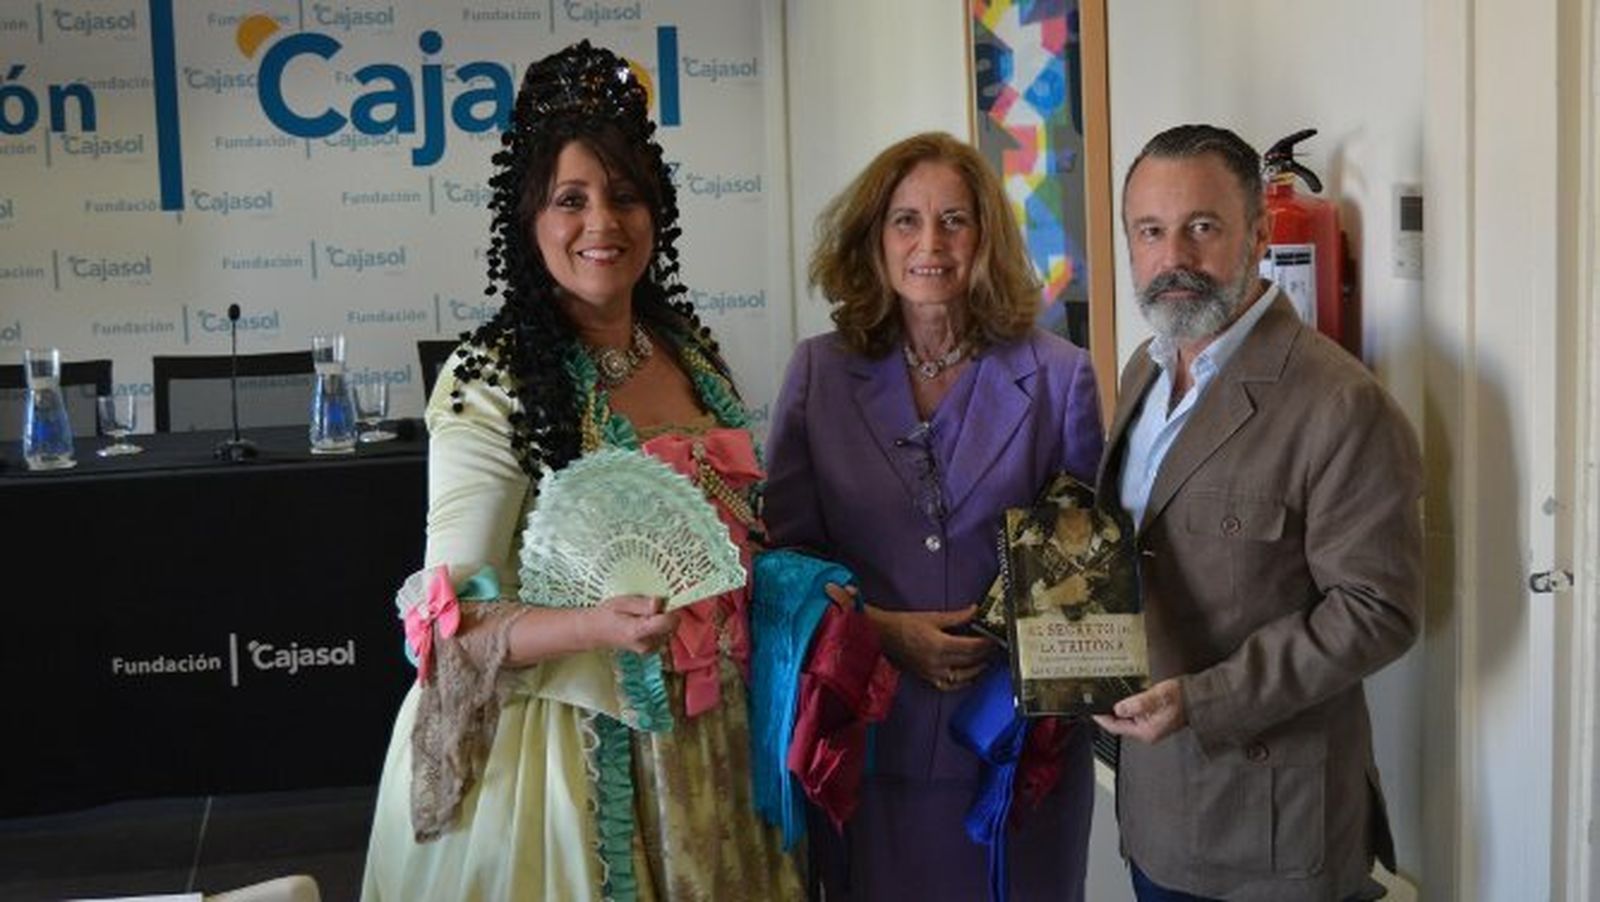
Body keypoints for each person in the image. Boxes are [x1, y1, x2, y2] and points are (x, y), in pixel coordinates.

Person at [361, 41, 803, 901]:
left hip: (710, 742)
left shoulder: (689, 353)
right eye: (572, 199)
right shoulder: (492, 380)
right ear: (528, 222)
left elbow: (734, 540)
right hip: (559, 762)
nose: (603, 223)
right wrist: (593, 628)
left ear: (656, 214)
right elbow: (447, 630)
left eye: (625, 196)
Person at [764, 131, 1104, 901]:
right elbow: (782, 565)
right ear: (873, 239)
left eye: (955, 220)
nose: (931, 244)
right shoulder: (817, 373)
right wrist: (881, 629)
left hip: (1018, 763)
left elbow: (1086, 578)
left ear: (986, 237)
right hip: (868, 747)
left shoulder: (1060, 378)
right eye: (906, 220)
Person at [1092, 123, 1423, 901]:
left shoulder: (1341, 404)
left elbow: (1380, 610)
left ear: (1260, 234)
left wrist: (1202, 700)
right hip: (1154, 811)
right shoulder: (1145, 367)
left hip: (1271, 834)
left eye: (1201, 228)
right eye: (1150, 231)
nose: (1172, 258)